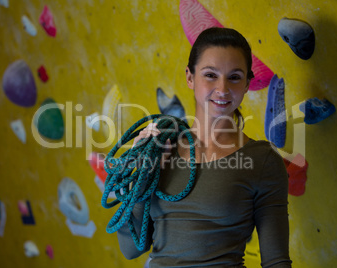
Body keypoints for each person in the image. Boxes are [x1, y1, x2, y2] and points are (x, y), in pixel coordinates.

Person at [116, 27, 292, 268]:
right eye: (210, 75)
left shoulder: (262, 160)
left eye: (234, 77)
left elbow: (276, 262)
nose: (222, 89)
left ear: (247, 84)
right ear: (190, 77)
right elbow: (130, 249)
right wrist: (143, 175)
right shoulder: (160, 148)